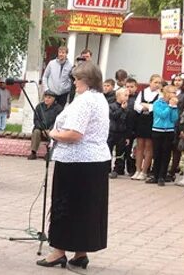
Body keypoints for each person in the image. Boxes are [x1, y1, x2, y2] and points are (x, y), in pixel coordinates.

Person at [36, 61, 110, 269]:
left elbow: (74, 134)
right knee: (86, 208)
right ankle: (80, 252)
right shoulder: (99, 98)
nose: (74, 83)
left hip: (76, 162)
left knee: (66, 206)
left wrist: (53, 134)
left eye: (77, 79)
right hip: (95, 161)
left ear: (86, 80)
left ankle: (59, 251)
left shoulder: (85, 100)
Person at [131, 74, 162, 180]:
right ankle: (137, 170)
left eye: (159, 82)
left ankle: (144, 171)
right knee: (139, 146)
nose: (157, 84)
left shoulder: (160, 94)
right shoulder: (143, 92)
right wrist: (144, 107)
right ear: (150, 82)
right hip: (141, 120)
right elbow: (136, 105)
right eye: (155, 82)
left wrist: (147, 106)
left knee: (148, 146)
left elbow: (156, 107)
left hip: (152, 121)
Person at [146, 85, 179, 186]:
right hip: (157, 130)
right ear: (166, 93)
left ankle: (162, 176)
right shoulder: (157, 103)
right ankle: (155, 175)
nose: (175, 95)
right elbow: (163, 115)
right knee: (157, 154)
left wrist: (173, 108)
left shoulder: (173, 105)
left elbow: (174, 118)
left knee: (166, 154)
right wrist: (169, 106)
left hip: (169, 131)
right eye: (173, 92)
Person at [27, 90, 63, 160]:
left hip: (52, 129)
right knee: (36, 132)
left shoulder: (59, 108)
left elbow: (58, 122)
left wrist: (50, 129)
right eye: (45, 97)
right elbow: (36, 120)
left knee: (53, 134)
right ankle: (33, 152)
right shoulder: (39, 107)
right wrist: (42, 129)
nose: (46, 99)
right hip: (40, 129)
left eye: (49, 97)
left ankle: (49, 152)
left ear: (54, 99)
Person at [108, 87, 130, 178]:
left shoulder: (127, 108)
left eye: (128, 96)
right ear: (118, 96)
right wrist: (121, 109)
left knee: (120, 152)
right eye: (125, 95)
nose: (127, 97)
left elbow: (128, 122)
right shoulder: (111, 106)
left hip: (122, 133)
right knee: (108, 150)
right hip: (112, 132)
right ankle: (107, 169)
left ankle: (118, 169)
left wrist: (128, 136)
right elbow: (113, 116)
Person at [123, 78, 139, 176]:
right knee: (125, 148)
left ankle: (132, 168)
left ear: (136, 87)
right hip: (125, 127)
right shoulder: (123, 97)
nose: (129, 89)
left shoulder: (138, 98)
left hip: (135, 127)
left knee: (134, 149)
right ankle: (120, 167)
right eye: (127, 86)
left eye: (131, 87)